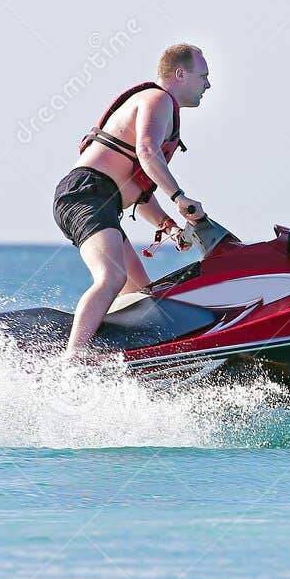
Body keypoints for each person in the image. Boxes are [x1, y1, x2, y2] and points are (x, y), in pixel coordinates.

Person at [52, 43, 211, 359]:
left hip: (100, 200)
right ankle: (73, 359)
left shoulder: (164, 109)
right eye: (203, 76)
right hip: (85, 194)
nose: (208, 85)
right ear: (180, 74)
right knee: (112, 277)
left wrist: (169, 226)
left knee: (139, 292)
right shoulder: (158, 99)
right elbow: (148, 152)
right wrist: (179, 197)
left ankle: (126, 355)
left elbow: (138, 188)